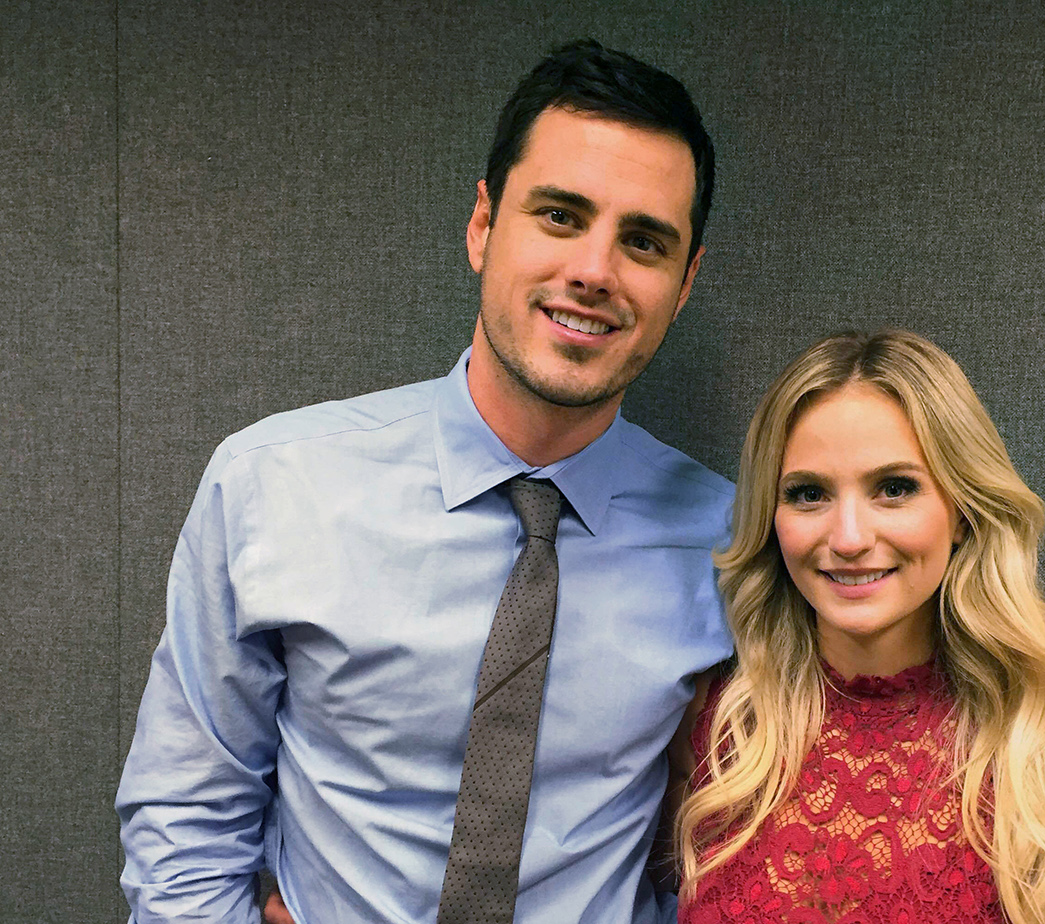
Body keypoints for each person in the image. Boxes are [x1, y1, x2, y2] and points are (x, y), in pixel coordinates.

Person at [117, 40, 732, 924]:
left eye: (643, 241)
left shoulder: (733, 546)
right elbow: (186, 822)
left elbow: (746, 846)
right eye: (560, 216)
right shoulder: (273, 486)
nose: (594, 271)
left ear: (685, 282)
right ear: (483, 226)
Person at [671, 330, 1045, 923]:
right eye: (808, 493)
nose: (849, 538)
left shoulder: (1042, 745)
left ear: (962, 511)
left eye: (894, 489)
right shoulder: (717, 727)